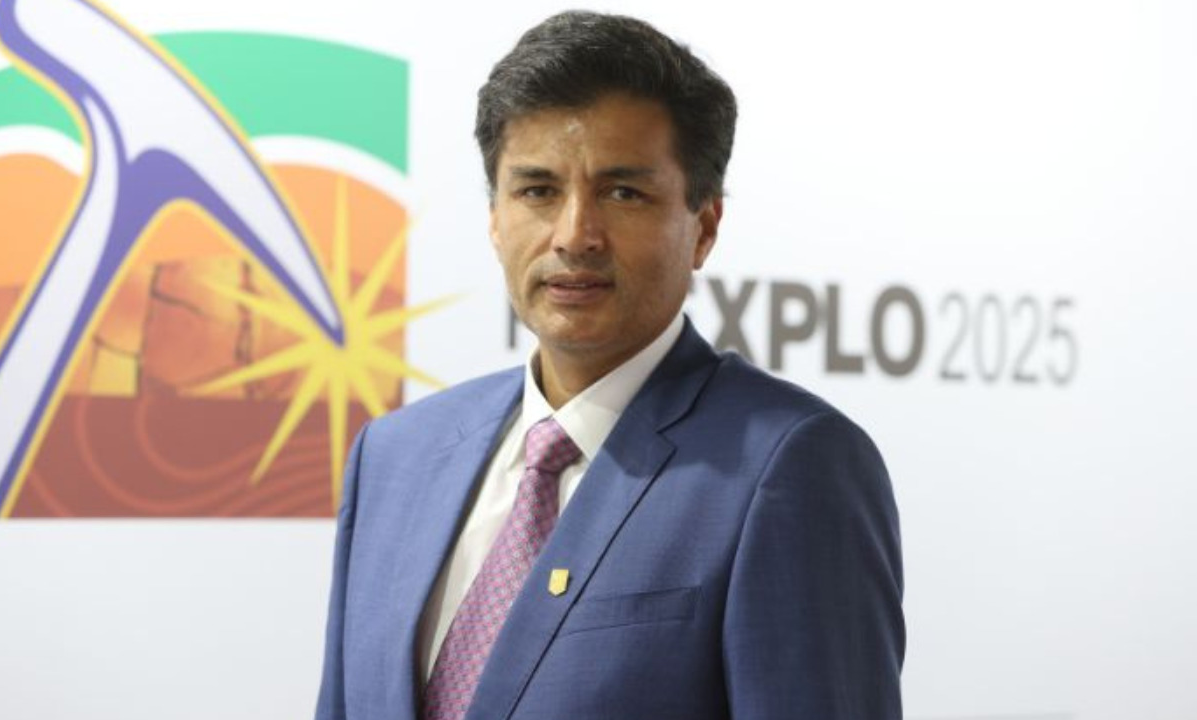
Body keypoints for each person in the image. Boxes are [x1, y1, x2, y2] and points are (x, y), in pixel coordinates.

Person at [315, 11, 903, 720]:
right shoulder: (395, 456)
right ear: (495, 217)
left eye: (623, 193)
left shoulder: (788, 465)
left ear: (704, 227)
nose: (574, 236)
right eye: (537, 191)